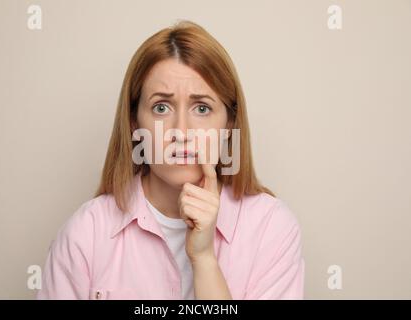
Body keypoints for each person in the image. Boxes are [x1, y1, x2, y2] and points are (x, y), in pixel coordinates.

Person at [37, 20, 305, 300]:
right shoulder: (86, 233)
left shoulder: (271, 229)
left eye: (202, 108)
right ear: (133, 123)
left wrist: (204, 260)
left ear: (229, 124)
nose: (181, 131)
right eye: (161, 107)